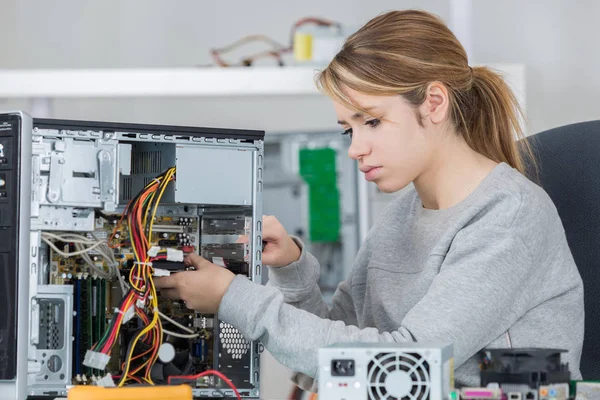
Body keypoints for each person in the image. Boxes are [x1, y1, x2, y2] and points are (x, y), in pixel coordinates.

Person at [154, 9, 584, 389]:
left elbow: (406, 367)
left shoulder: (508, 216)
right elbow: (336, 362)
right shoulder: (402, 218)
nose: (355, 148)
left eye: (372, 121)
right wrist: (291, 269)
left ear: (433, 103)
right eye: (349, 129)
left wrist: (234, 298)